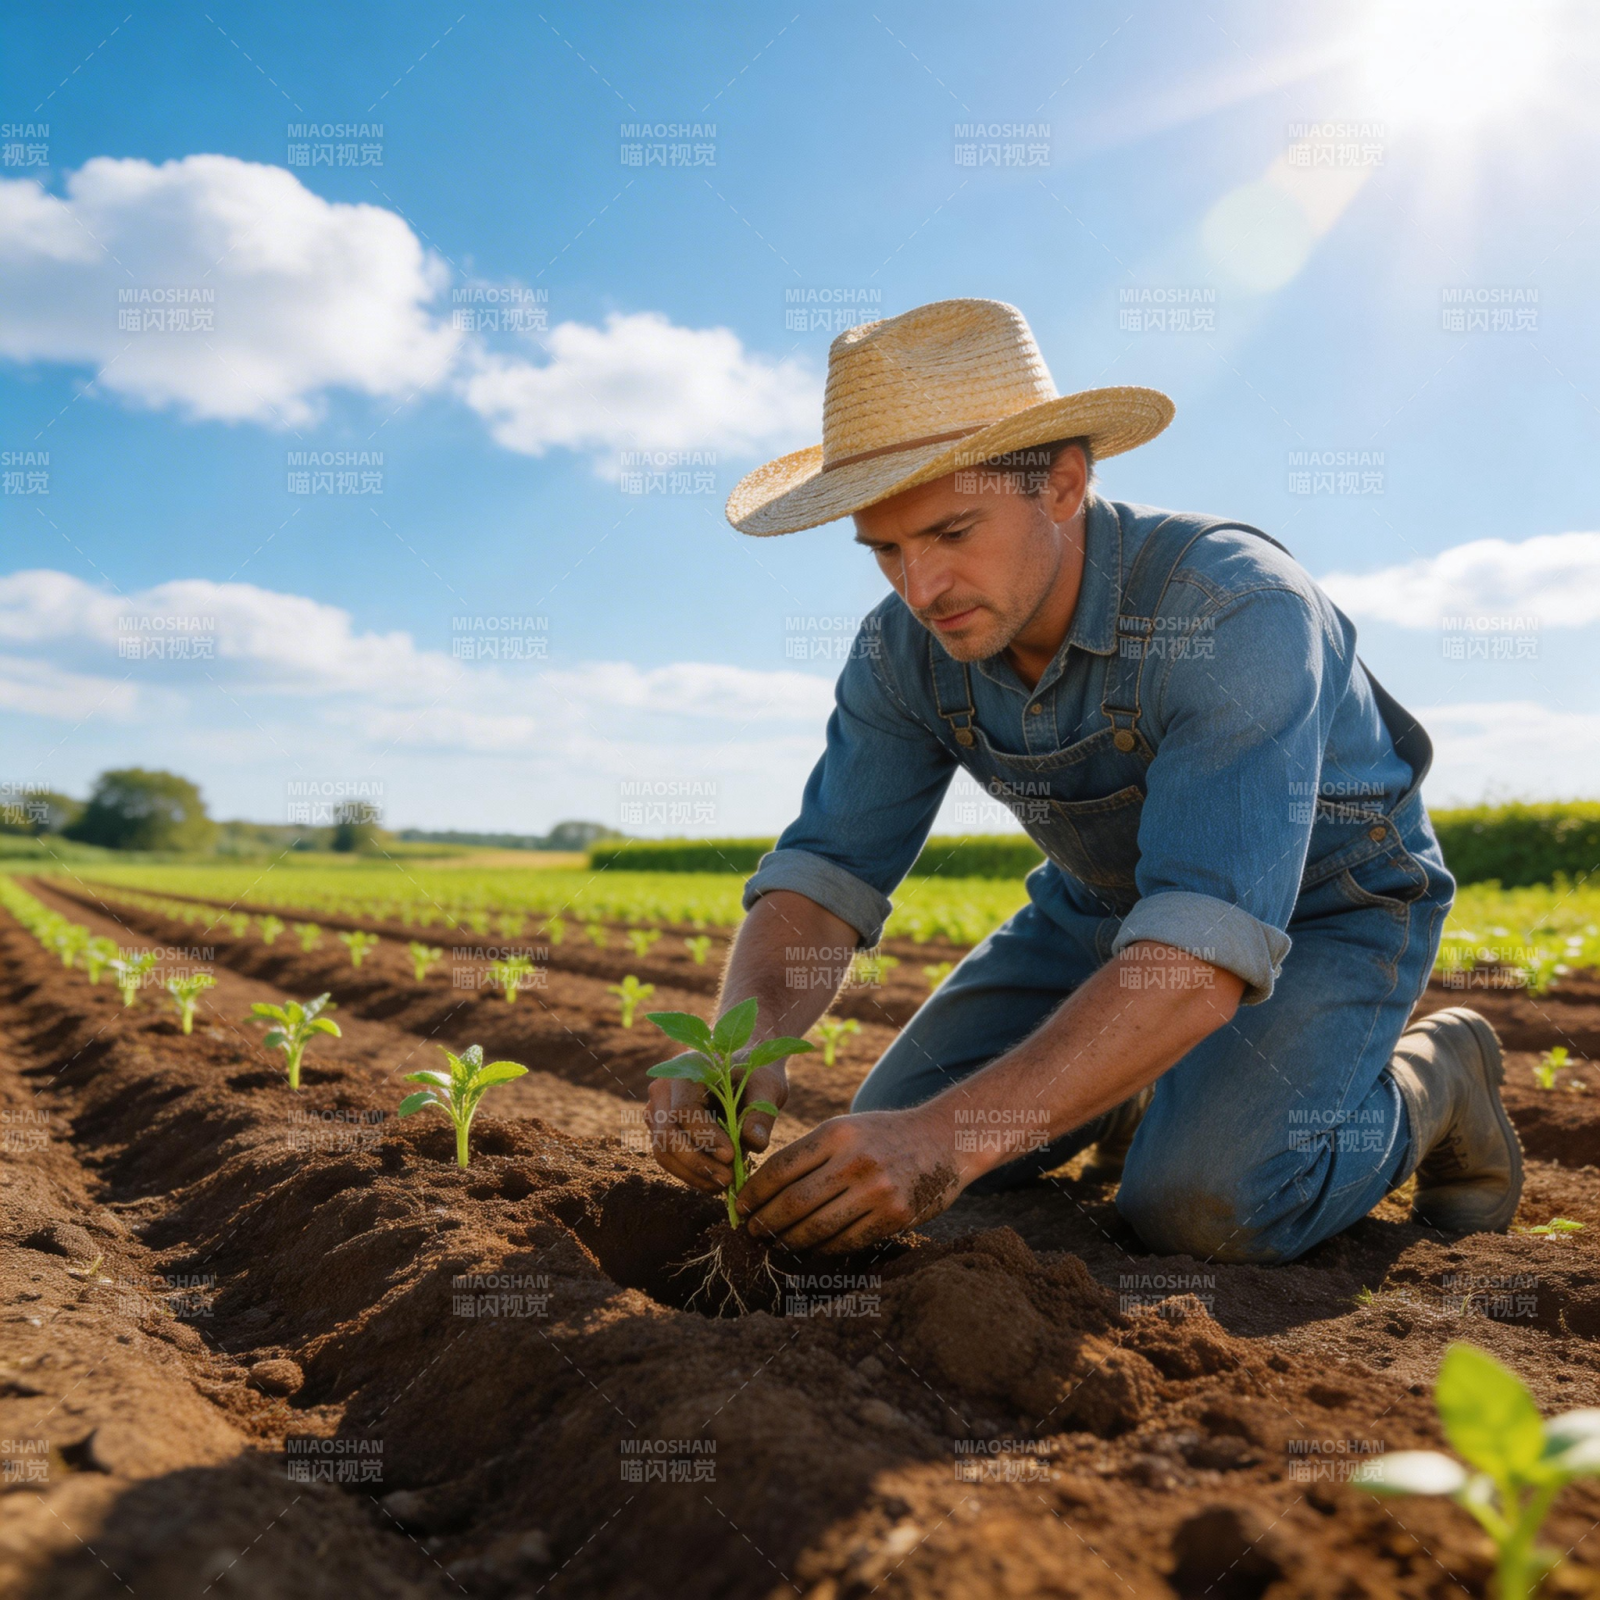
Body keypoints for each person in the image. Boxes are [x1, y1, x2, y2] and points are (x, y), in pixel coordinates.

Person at [646, 297, 1522, 1263]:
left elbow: (1200, 947)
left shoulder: (1232, 608)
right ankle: (1129, 1082)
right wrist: (736, 1044)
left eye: (950, 532)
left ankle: (1439, 1079)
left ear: (1062, 485)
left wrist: (948, 1142)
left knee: (1201, 1205)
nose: (919, 589)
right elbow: (827, 872)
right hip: (1103, 910)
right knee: (895, 1112)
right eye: (886, 550)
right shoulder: (904, 652)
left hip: (1327, 909)